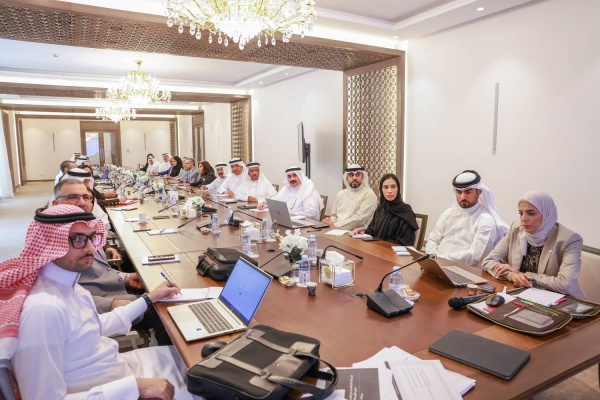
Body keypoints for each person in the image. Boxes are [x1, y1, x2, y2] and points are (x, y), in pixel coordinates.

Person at [1, 205, 201, 399]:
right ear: (49, 244)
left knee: (202, 360)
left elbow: (94, 327)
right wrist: (134, 388)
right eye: (77, 239)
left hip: (119, 368)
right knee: (210, 384)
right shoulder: (43, 310)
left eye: (91, 238)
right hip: (118, 388)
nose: (90, 248)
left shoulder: (69, 285)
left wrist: (149, 299)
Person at [52, 179, 172, 345]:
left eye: (86, 197)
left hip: (114, 290)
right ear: (55, 203)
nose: (81, 202)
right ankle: (173, 357)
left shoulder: (83, 227)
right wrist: (110, 304)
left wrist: (126, 278)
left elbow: (100, 269)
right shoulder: (53, 240)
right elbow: (62, 296)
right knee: (166, 310)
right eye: (72, 197)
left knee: (163, 289)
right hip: (101, 308)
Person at [483, 191, 586, 297]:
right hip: (523, 294)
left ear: (546, 214)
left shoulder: (569, 240)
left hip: (560, 300)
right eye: (521, 213)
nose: (523, 219)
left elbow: (566, 284)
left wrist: (522, 275)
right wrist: (511, 275)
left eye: (531, 213)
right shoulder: (517, 229)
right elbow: (489, 261)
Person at [426, 170, 508, 267]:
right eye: (459, 192)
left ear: (479, 191)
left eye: (468, 192)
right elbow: (433, 239)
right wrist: (431, 258)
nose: (462, 197)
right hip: (436, 265)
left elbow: (475, 256)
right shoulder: (448, 213)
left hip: (464, 270)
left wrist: (440, 259)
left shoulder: (485, 220)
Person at [350, 173, 418, 245]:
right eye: (386, 187)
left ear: (398, 188)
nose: (389, 191)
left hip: (393, 251)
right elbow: (373, 230)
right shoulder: (381, 208)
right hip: (377, 248)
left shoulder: (405, 212)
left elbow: (404, 243)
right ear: (381, 190)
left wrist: (379, 245)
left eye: (393, 187)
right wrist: (363, 231)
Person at [322, 164, 377, 230]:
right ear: (346, 178)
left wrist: (335, 225)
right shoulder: (341, 194)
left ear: (362, 177)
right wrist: (330, 221)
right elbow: (334, 215)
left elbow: (359, 219)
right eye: (351, 175)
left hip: (357, 233)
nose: (354, 178)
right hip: (336, 230)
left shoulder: (369, 194)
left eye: (358, 175)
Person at [258, 166, 323, 221]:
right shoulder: (287, 188)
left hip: (303, 223)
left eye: (295, 175)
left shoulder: (307, 189)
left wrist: (293, 218)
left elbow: (311, 214)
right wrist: (265, 204)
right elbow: (276, 200)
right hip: (286, 220)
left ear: (300, 176)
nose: (292, 179)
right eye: (289, 176)